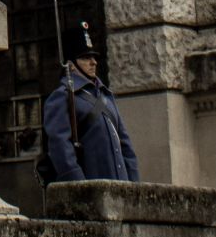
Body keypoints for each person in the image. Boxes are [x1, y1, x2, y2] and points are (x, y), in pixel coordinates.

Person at [41, 21, 141, 182]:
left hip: (121, 187)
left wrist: (134, 185)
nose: (93, 62)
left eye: (93, 57)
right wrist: (81, 186)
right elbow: (60, 147)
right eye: (86, 58)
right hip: (92, 188)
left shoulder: (106, 96)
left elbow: (125, 146)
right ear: (71, 64)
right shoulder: (63, 96)